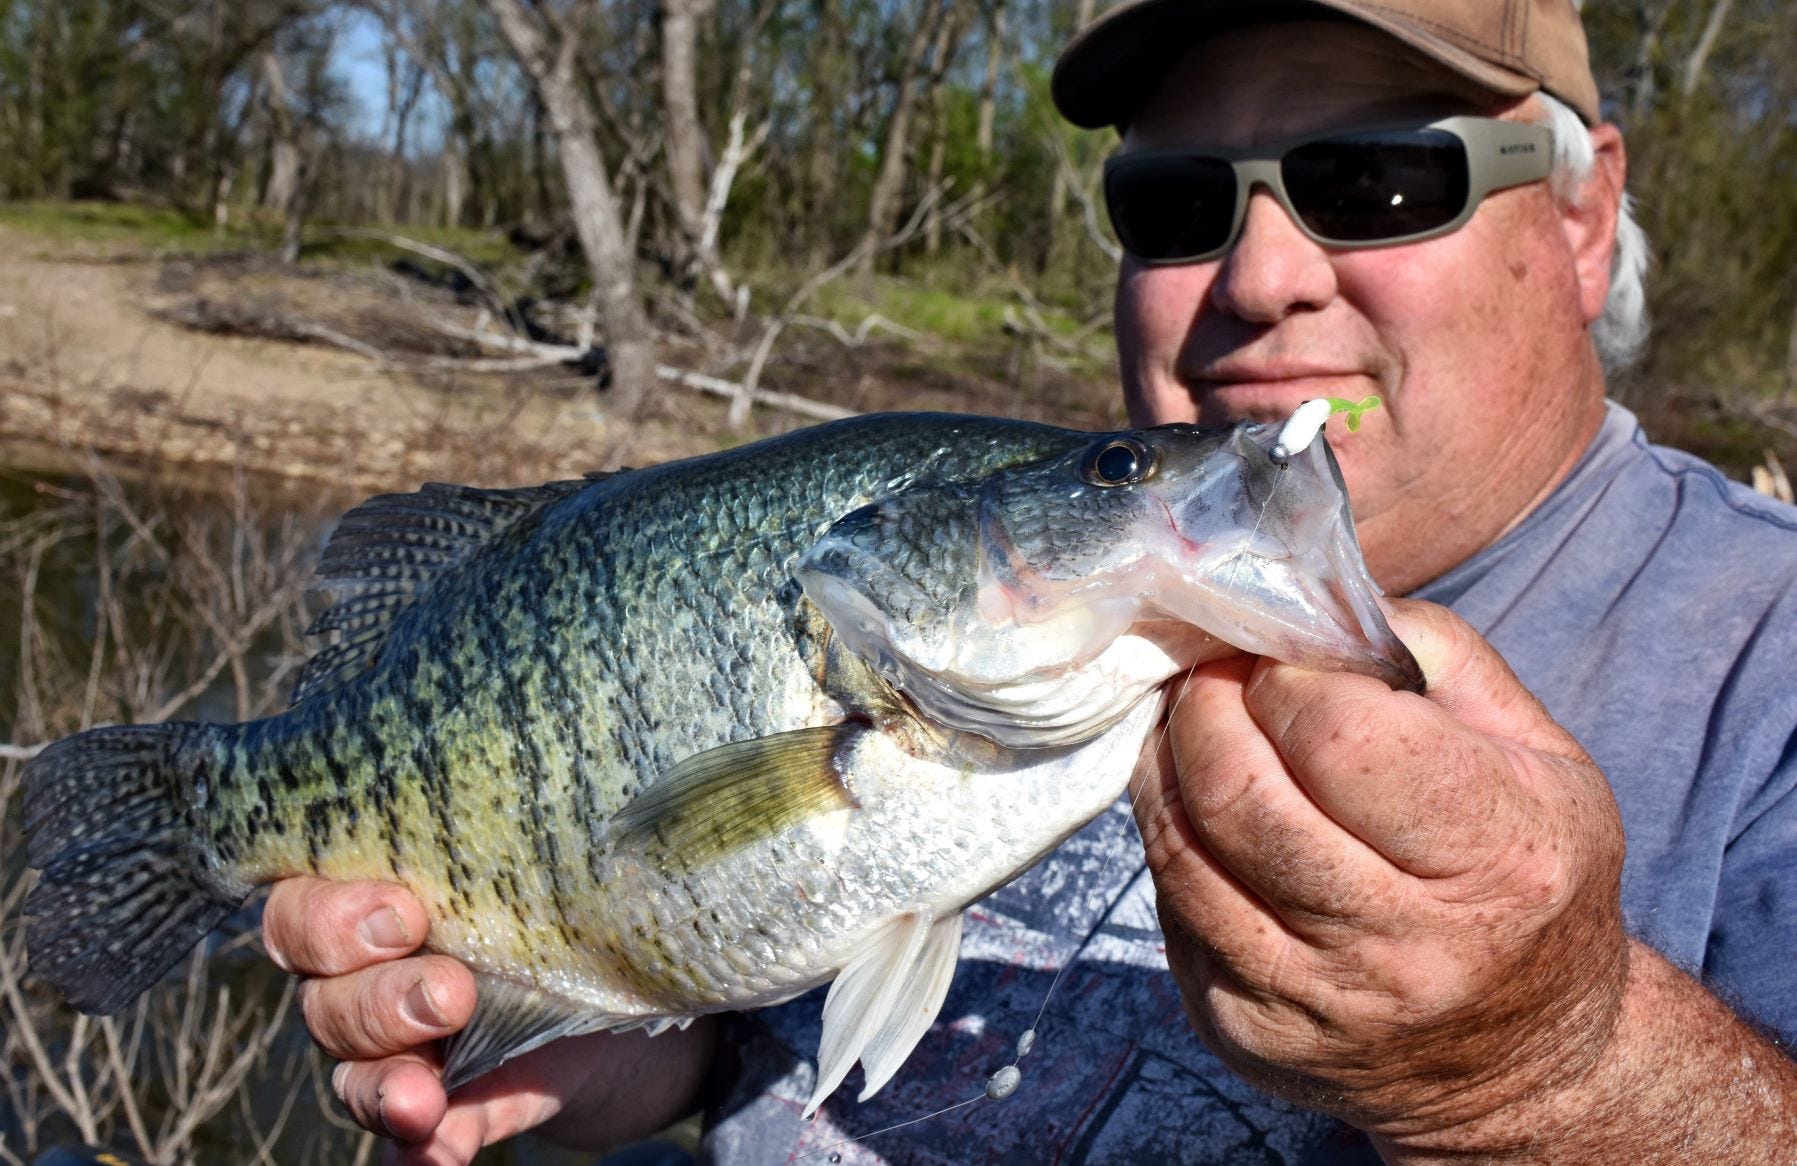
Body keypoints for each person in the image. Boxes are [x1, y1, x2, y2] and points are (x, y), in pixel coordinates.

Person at [262, 1, 1797, 1161]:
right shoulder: (1029, 593)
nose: (1258, 278)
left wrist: (1555, 1067)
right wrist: (643, 1027)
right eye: (1176, 206)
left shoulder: (1762, 661)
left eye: (1376, 180)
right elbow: (795, 963)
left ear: (1584, 215)